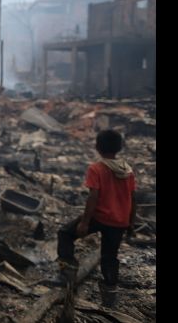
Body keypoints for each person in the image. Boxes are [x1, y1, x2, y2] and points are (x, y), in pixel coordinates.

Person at [56, 129, 136, 307]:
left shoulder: (97, 169)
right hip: (119, 221)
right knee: (109, 257)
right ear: (119, 148)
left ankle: (67, 274)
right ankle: (110, 299)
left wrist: (84, 222)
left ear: (97, 147)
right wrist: (130, 222)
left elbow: (93, 197)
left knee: (65, 233)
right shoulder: (128, 171)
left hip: (99, 217)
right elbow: (132, 198)